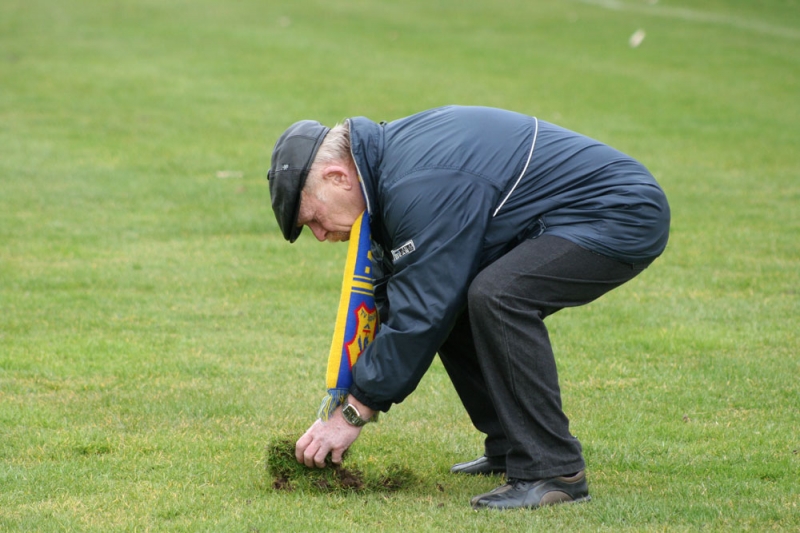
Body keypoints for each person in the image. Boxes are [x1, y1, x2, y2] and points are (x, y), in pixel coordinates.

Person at [267, 105, 670, 510]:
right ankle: (512, 444)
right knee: (458, 297)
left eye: (313, 219)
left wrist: (353, 413)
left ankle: (553, 469)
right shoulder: (385, 176)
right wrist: (347, 396)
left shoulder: (418, 184)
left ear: (337, 176)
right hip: (570, 214)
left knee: (499, 296)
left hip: (619, 212)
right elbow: (400, 301)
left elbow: (422, 309)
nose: (320, 235)